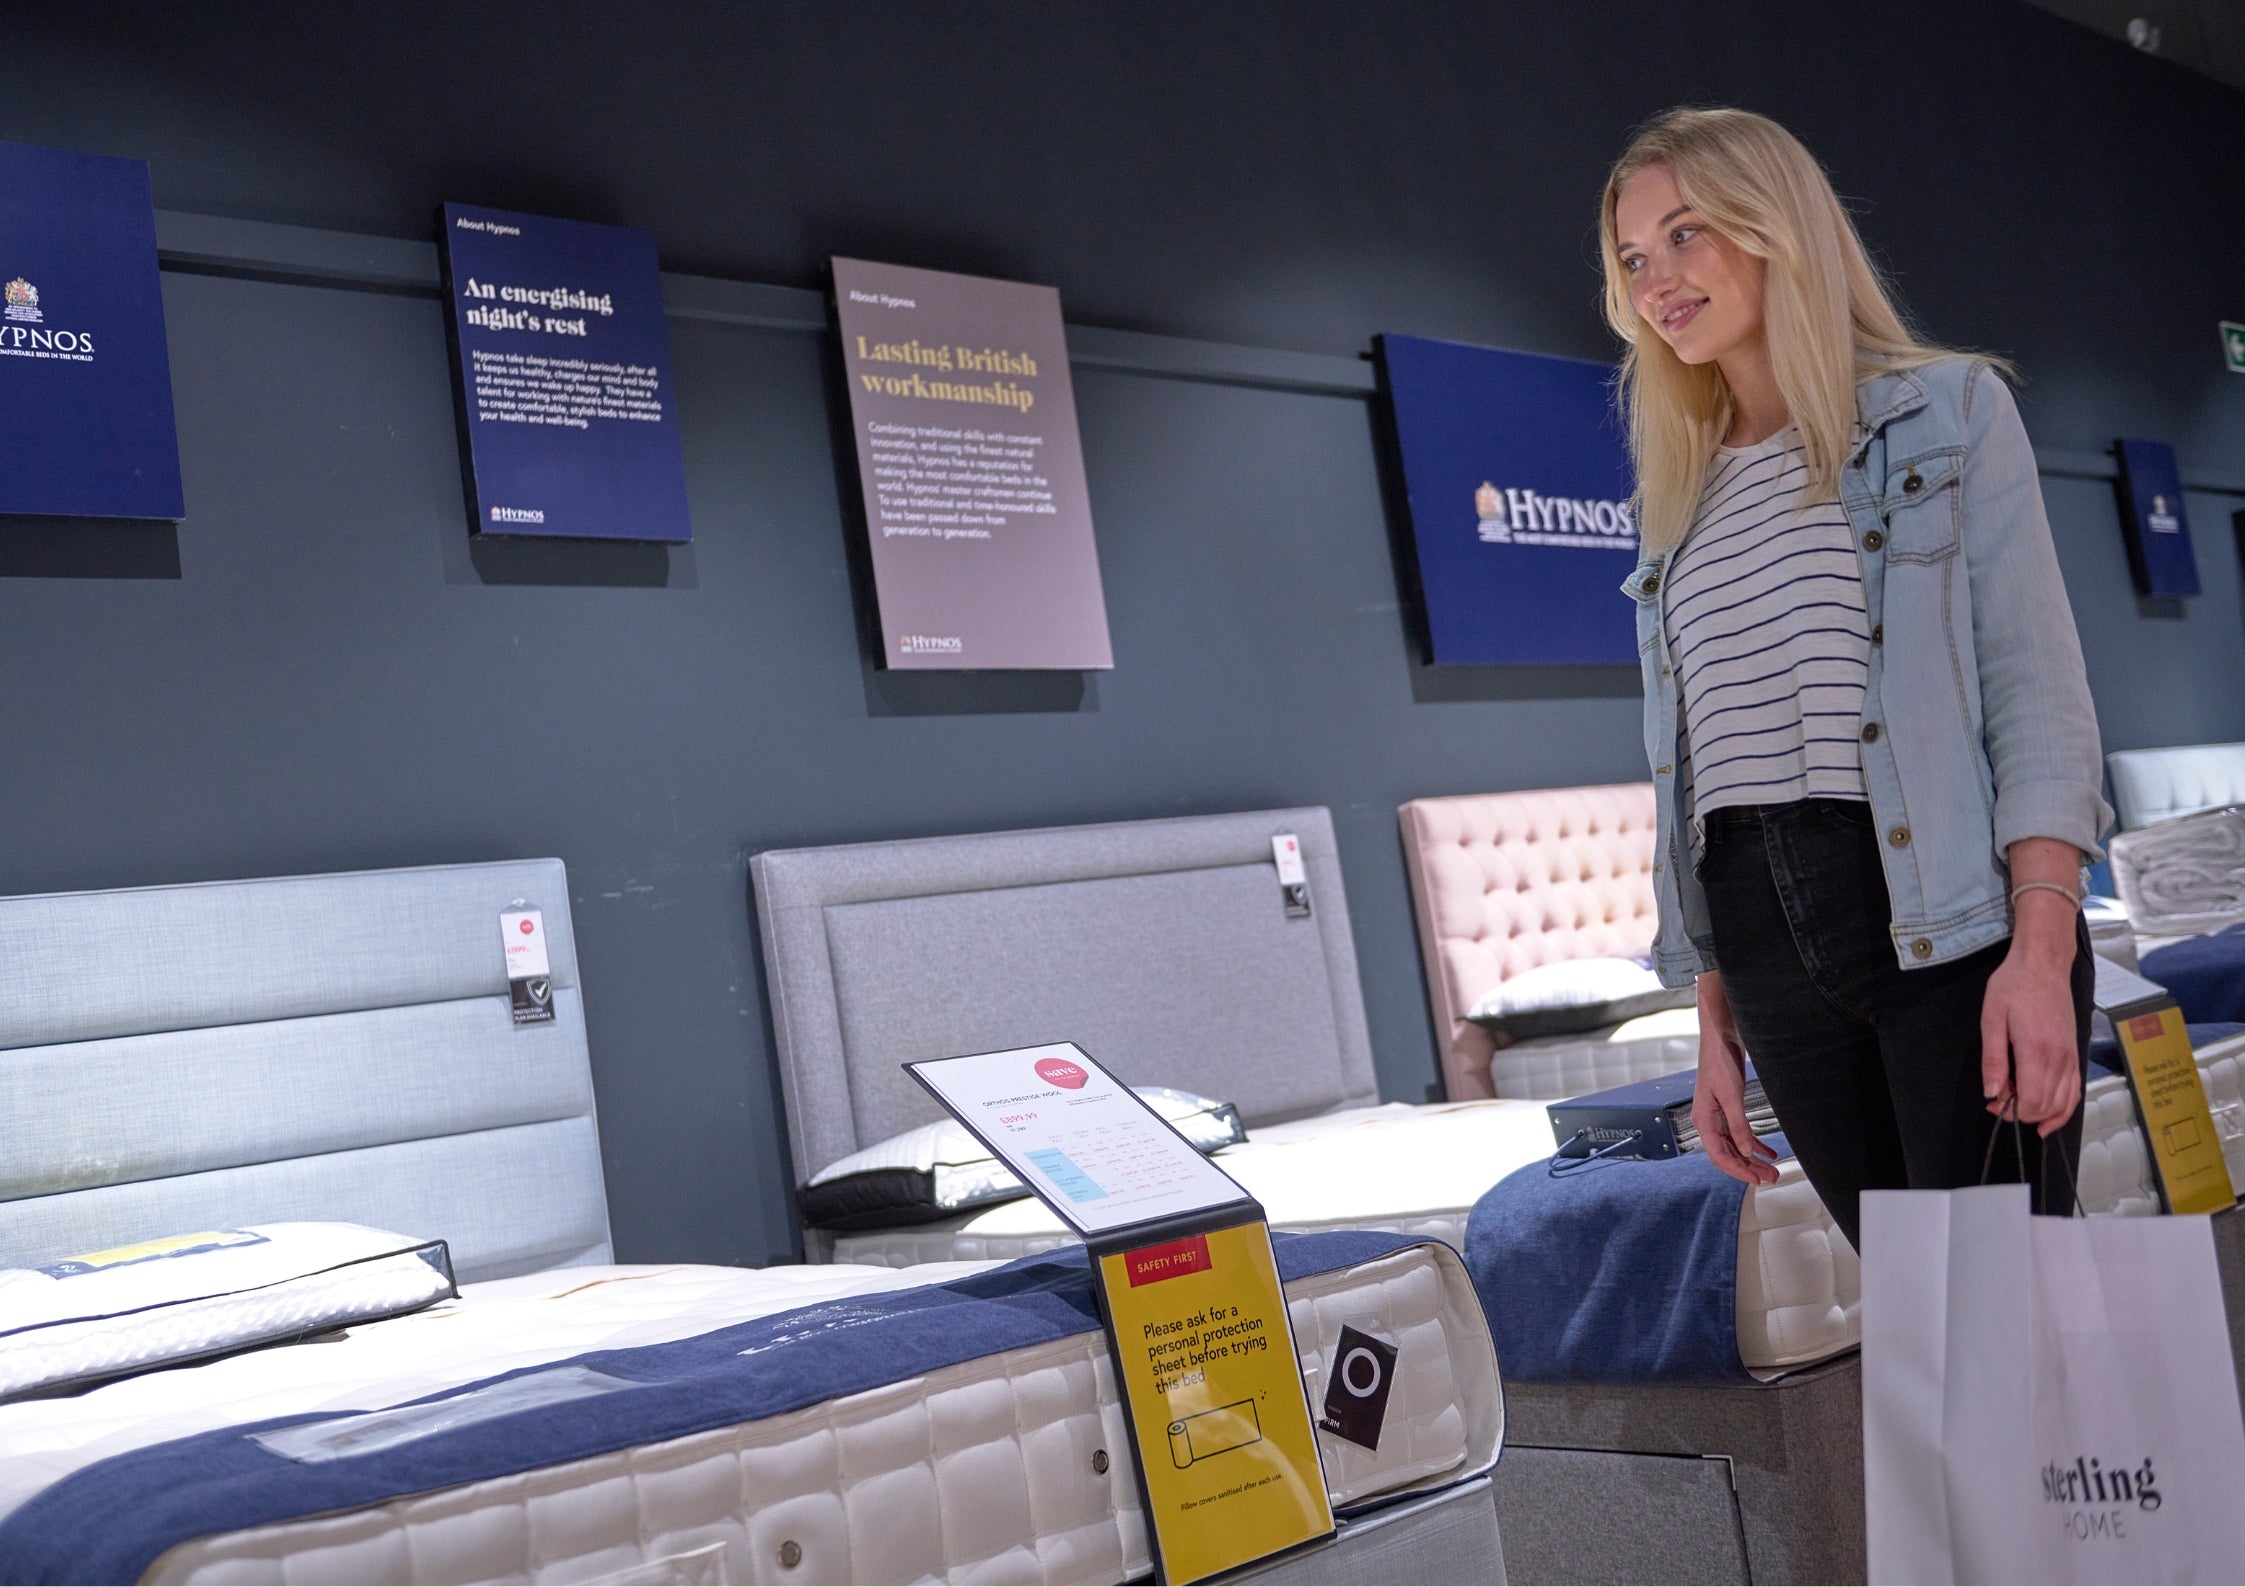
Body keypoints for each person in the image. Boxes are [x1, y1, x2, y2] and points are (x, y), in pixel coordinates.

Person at [1601, 107, 2108, 1248]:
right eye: (1633, 259)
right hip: (1765, 952)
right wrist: (1712, 1015)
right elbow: (1707, 775)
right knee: (1927, 1348)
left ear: (1773, 223)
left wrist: (2043, 951)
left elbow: (2036, 700)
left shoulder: (1951, 411)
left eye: (1685, 236)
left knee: (1996, 1329)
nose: (1656, 281)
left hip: (1943, 923)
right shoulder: (1679, 499)